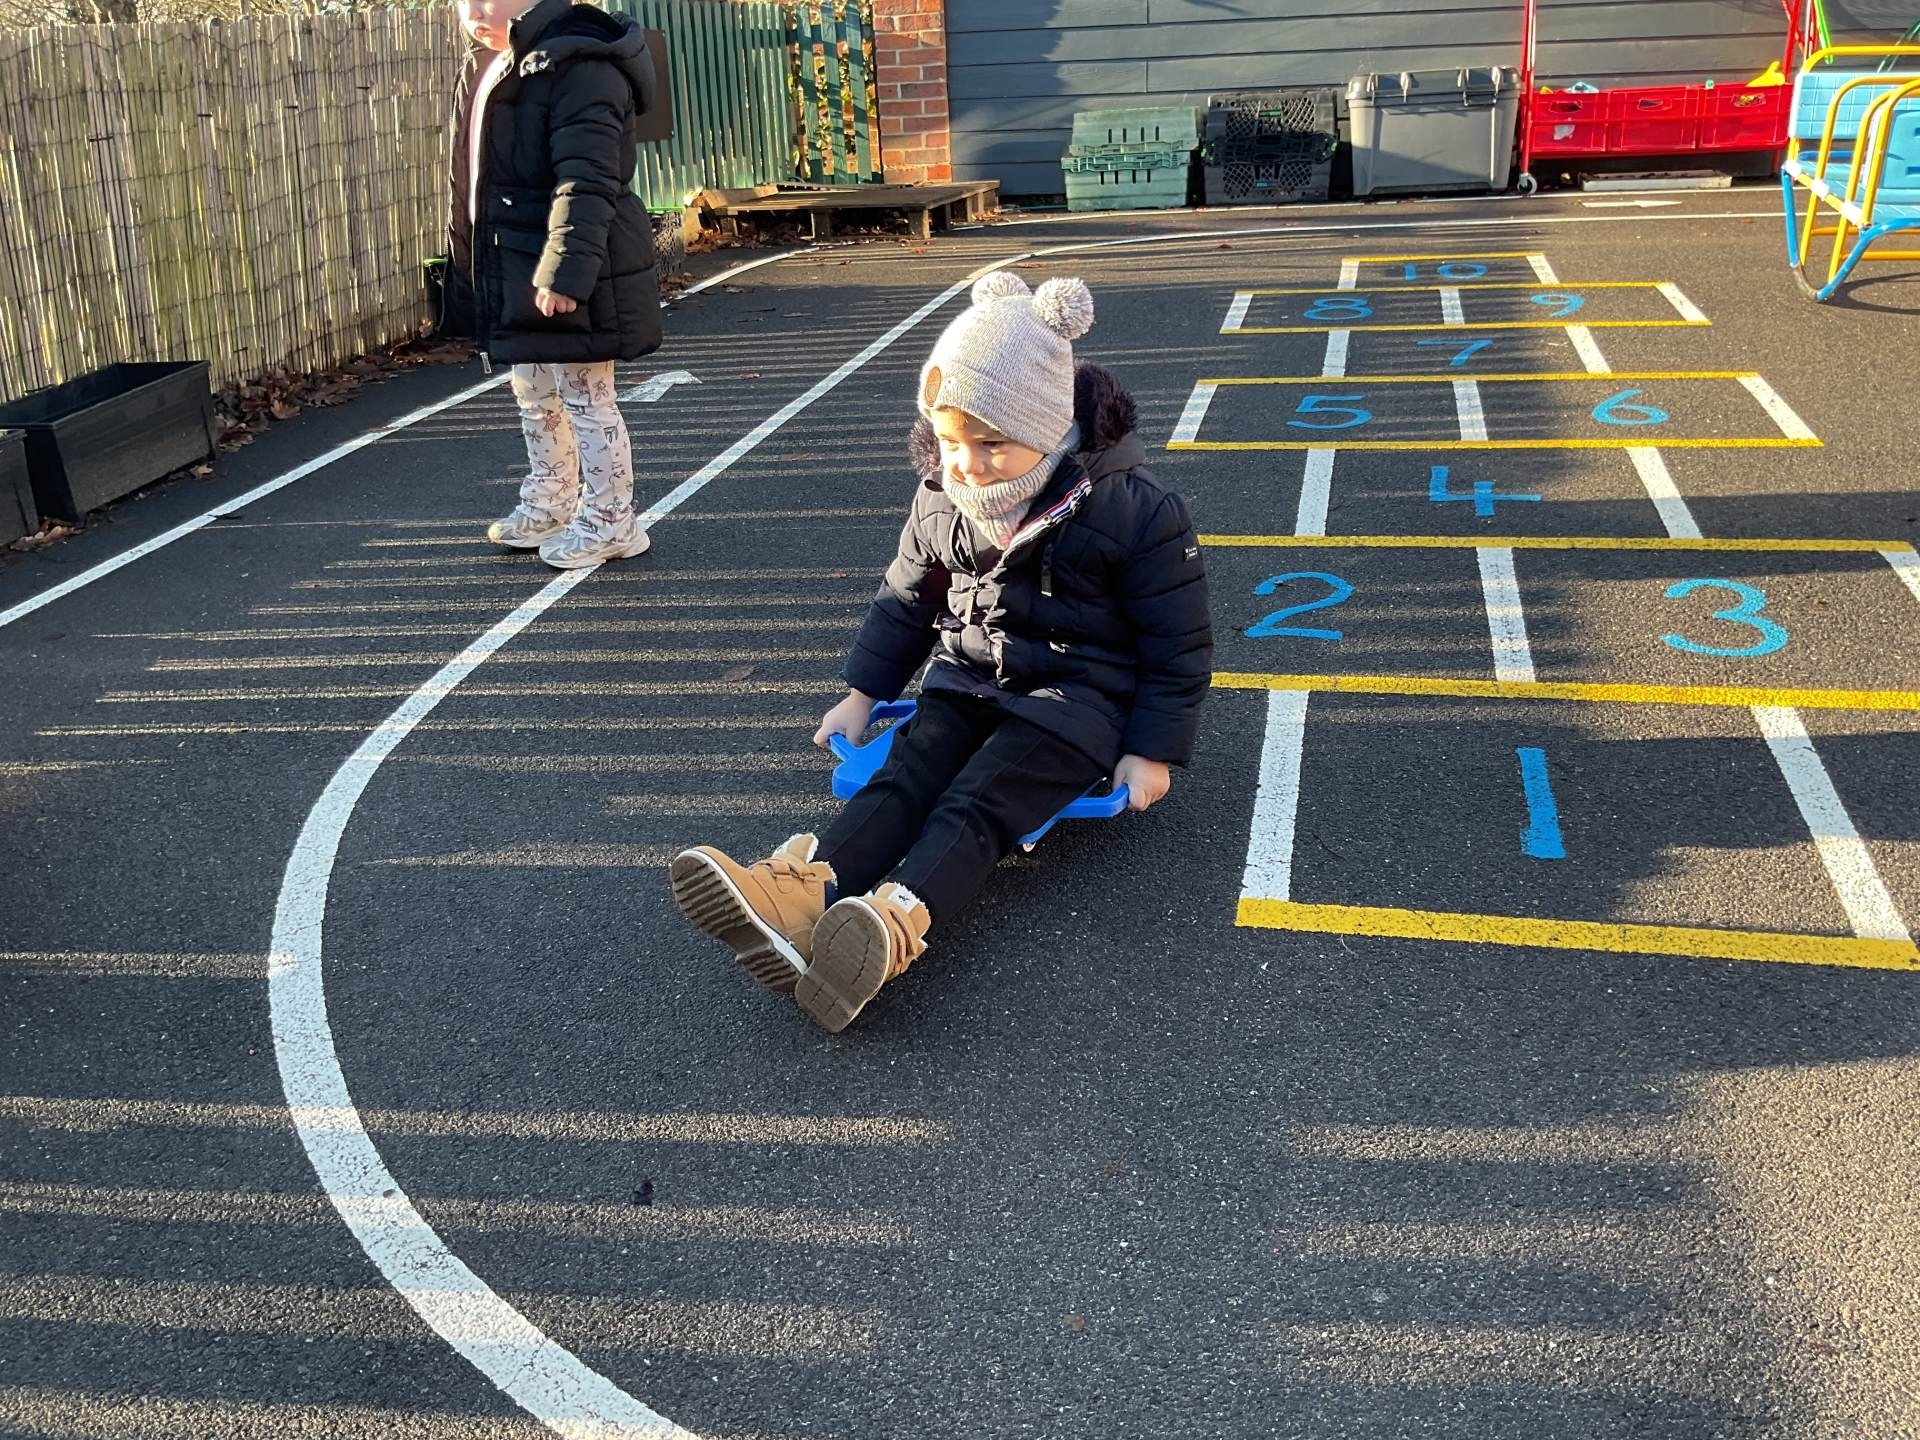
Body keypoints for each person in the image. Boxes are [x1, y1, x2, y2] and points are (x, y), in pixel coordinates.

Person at [668, 273, 1213, 1032]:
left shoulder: (1133, 509)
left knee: (978, 801)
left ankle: (895, 921)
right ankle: (804, 894)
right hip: (971, 677)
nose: (968, 464)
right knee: (905, 775)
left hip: (1079, 700)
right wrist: (862, 692)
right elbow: (906, 601)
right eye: (952, 442)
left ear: (1048, 426)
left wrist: (1150, 751)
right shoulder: (941, 494)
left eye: (991, 444)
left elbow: (1177, 644)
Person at [448, 0, 661, 570]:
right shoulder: (495, 64)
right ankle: (553, 500)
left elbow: (588, 177)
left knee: (587, 397)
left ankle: (613, 520)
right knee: (534, 392)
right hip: (517, 258)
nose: (470, 11)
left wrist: (565, 271)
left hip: (577, 263)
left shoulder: (581, 64)